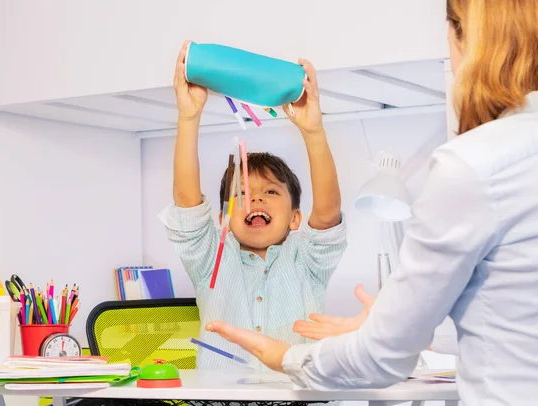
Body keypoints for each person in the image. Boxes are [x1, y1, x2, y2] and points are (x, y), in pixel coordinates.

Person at [206, 0, 538, 403]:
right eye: (242, 193)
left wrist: (290, 357)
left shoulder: (474, 164)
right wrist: (388, 324)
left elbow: (384, 356)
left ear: (463, 35)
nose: (254, 199)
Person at [159, 41, 347, 370]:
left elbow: (328, 215)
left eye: (272, 193)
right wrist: (189, 116)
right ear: (223, 219)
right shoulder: (210, 259)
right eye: (242, 194)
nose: (256, 198)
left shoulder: (308, 262)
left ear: (295, 218)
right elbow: (187, 202)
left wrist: (313, 131)